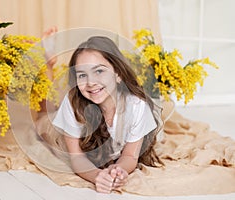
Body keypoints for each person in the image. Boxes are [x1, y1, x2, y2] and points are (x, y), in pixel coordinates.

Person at [36, 33, 163, 193]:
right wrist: (97, 175)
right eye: (82, 75)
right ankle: (48, 63)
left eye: (99, 71)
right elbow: (77, 157)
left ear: (118, 74)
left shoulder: (137, 106)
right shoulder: (73, 102)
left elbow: (130, 156)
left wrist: (118, 171)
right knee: (41, 122)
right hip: (55, 131)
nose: (90, 83)